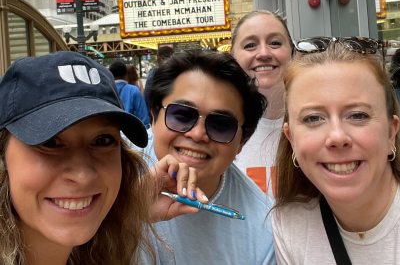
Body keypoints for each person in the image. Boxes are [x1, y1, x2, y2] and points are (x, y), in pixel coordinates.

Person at [0, 51, 208, 265]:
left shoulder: (103, 249)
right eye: (50, 142)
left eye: (102, 141)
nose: (83, 175)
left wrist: (132, 211)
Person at [272, 38, 400, 264]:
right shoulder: (290, 224)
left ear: (390, 133)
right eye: (313, 118)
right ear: (292, 140)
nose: (337, 137)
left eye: (358, 115)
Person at [143, 50, 276, 265]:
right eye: (182, 115)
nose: (197, 134)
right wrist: (128, 211)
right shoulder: (110, 165)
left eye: (221, 125)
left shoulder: (265, 230)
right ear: (153, 116)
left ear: (243, 140)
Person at [231, 10, 293, 195]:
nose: (264, 53)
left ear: (293, 52)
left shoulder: (321, 122)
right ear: (232, 57)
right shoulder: (218, 129)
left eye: (275, 43)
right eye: (250, 45)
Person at [109, 60, 150, 128]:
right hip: (131, 132)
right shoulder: (133, 90)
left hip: (111, 131)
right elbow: (143, 117)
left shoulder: (106, 90)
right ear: (125, 74)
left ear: (110, 74)